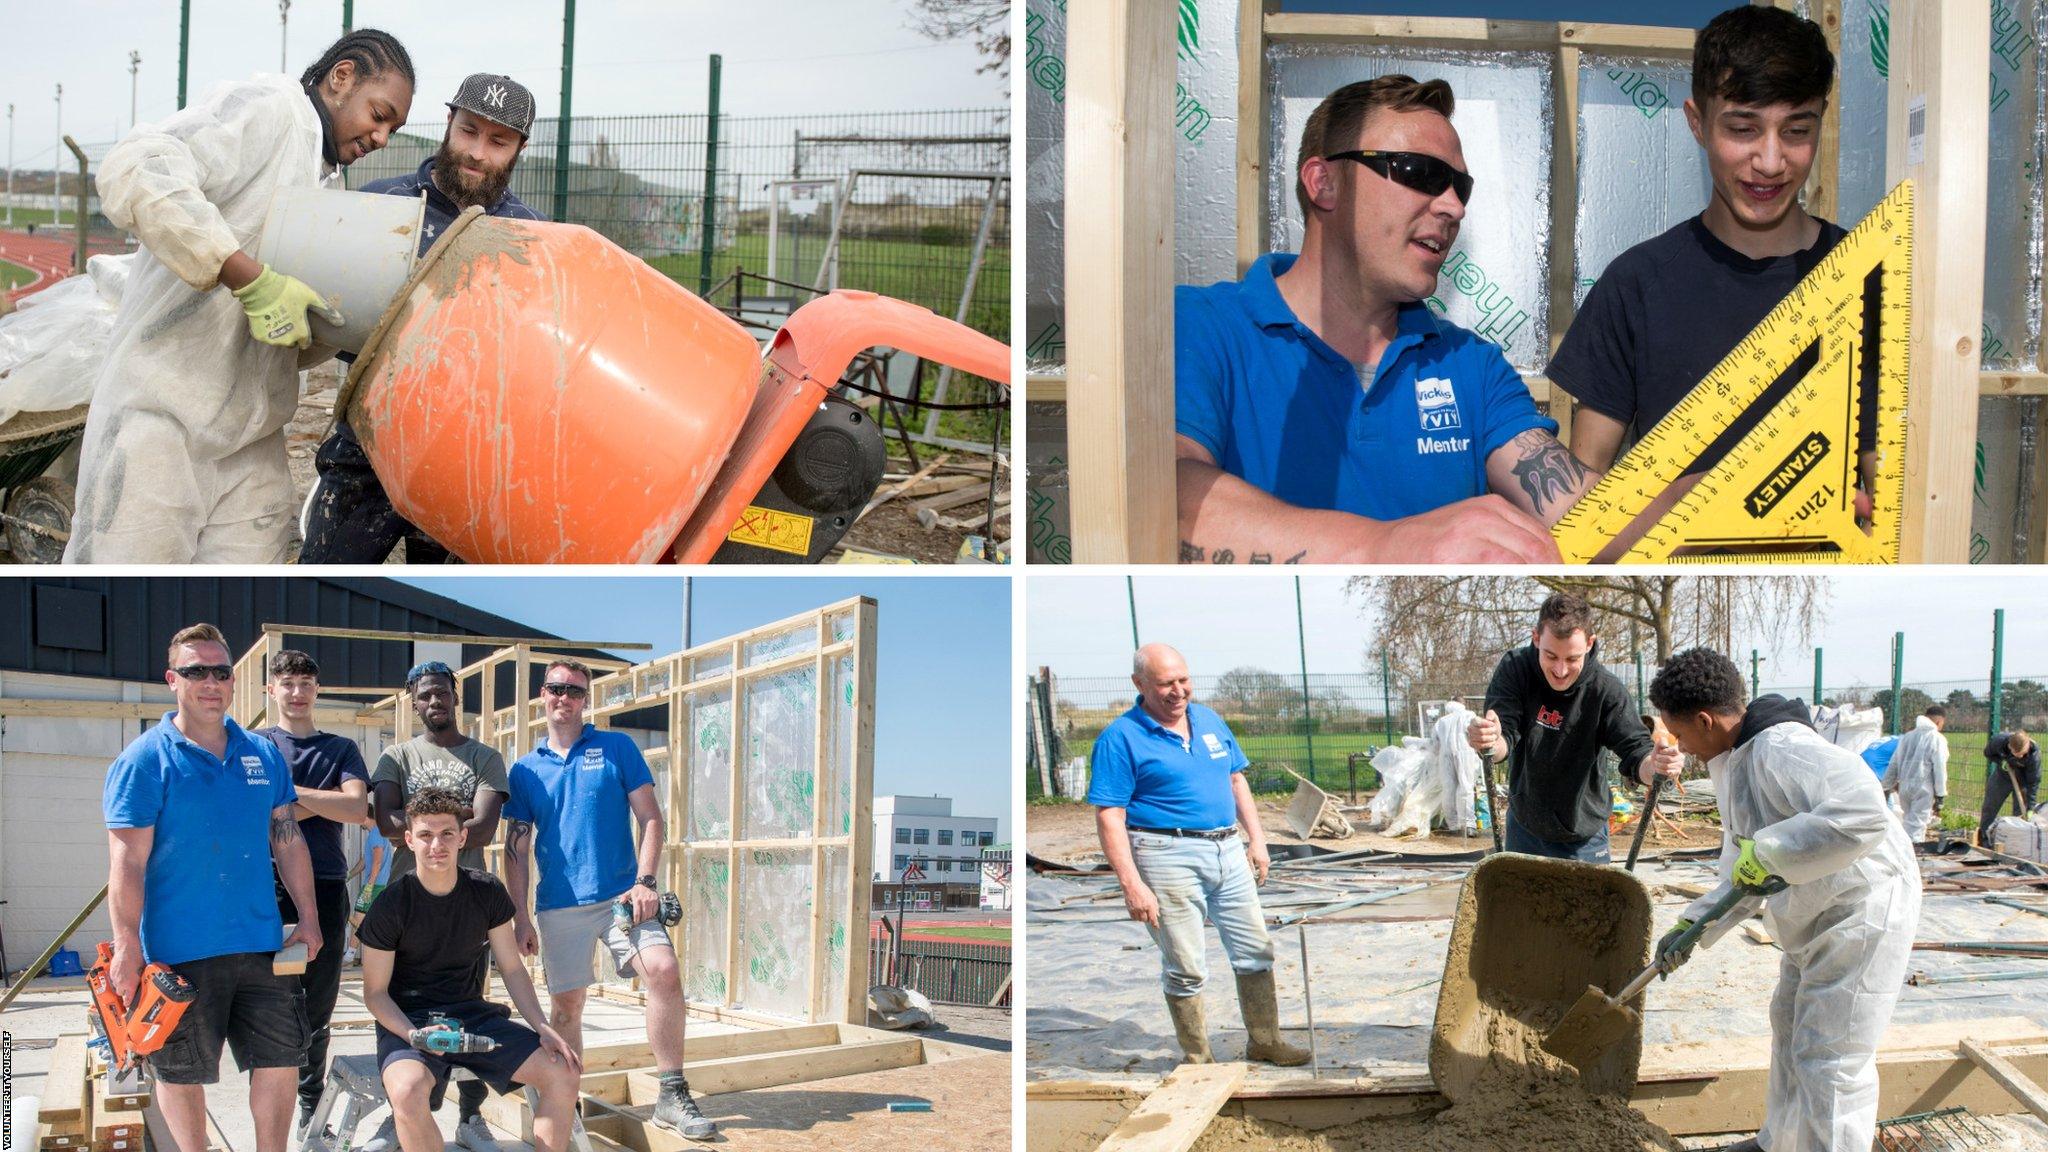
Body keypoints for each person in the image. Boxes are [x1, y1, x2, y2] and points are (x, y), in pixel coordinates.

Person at [1173, 75, 1598, 565]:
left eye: (1460, 187)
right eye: (1419, 171)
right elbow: (1166, 499)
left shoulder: (1470, 365)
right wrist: (1386, 547)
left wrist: (1700, 493)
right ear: (1323, 183)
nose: (1454, 207)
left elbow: (1585, 514)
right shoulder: (1200, 327)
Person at [65, 31, 415, 563]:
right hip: (161, 421)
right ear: (341, 78)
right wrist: (247, 278)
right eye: (380, 114)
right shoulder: (270, 111)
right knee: (131, 576)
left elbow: (285, 334)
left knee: (256, 597)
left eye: (394, 128)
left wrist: (339, 323)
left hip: (251, 439)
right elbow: (139, 167)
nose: (383, 137)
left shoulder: (328, 189)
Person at [1549, 8, 1870, 536]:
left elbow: (1892, 476)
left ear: (1822, 121)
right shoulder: (1634, 286)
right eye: (1743, 128)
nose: (1770, 161)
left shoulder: (1865, 274)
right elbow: (1587, 505)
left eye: (1796, 130)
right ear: (1697, 122)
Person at [1648, 648, 1918, 1152]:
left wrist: (1773, 855)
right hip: (1819, 912)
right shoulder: (1736, 762)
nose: (1681, 747)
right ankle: (1780, 1142)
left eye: (1681, 735)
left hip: (1863, 908)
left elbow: (1864, 812)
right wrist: (1694, 925)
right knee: (1790, 1024)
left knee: (1831, 1058)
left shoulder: (1784, 746)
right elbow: (1739, 869)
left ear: (1706, 720)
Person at [300, 73, 545, 564]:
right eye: (469, 131)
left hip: (466, 462)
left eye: (498, 141)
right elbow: (330, 317)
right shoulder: (379, 204)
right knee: (324, 571)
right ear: (449, 122)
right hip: (369, 442)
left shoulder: (530, 237)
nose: (478, 151)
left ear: (519, 148)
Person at [102, 624, 322, 1152]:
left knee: (280, 1061)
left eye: (221, 672)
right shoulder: (144, 760)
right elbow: (128, 860)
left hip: (261, 945)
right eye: (196, 671)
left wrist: (309, 917)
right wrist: (127, 944)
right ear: (172, 680)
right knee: (182, 1073)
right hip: (180, 952)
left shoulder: (262, 754)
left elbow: (287, 839)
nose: (211, 682)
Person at [503, 659, 719, 1139]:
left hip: (624, 897)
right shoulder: (525, 770)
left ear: (586, 700)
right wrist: (519, 914)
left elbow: (652, 819)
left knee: (663, 970)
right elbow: (516, 846)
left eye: (575, 691)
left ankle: (670, 1093)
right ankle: (567, 1102)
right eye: (557, 689)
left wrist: (645, 881)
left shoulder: (616, 747)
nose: (565, 698)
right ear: (543, 694)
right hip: (559, 904)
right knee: (566, 1010)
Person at [1085, 643, 1309, 1067]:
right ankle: (1198, 1057)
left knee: (1255, 950)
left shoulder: (1208, 719)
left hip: (1227, 849)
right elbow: (1110, 816)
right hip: (1165, 854)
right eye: (1165, 683)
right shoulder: (1120, 738)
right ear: (1139, 684)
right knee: (1186, 965)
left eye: (1183, 680)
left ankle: (1265, 1041)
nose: (1178, 691)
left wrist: (1256, 840)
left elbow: (1236, 781)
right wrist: (1132, 885)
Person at [358, 788, 583, 1152]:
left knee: (563, 1071)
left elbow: (511, 968)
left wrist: (542, 1026)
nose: (437, 845)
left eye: (447, 833)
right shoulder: (390, 905)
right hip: (410, 1022)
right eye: (426, 835)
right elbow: (375, 993)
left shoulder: (486, 890)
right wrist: (414, 1035)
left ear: (462, 837)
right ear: (409, 840)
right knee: (407, 1091)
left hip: (472, 1016)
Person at [363, 661, 510, 1152]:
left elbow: (486, 828)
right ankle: (406, 1114)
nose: (434, 702)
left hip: (470, 907)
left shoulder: (485, 757)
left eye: (441, 693)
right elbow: (386, 822)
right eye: (424, 695)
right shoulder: (396, 756)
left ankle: (470, 1118)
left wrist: (424, 813)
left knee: (469, 1007)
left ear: (455, 695)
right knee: (400, 1002)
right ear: (414, 701)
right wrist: (456, 812)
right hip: (407, 908)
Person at [1465, 592, 1678, 861]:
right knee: (1521, 903)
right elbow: (1502, 738)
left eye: (1573, 659)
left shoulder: (1606, 690)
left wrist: (1657, 767)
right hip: (1525, 827)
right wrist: (1488, 741)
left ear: (1590, 644)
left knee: (1589, 904)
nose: (1561, 670)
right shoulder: (1515, 670)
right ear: (1536, 638)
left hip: (1584, 836)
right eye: (1551, 656)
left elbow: (1637, 752)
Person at [255, 649, 371, 1137]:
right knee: (269, 999)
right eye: (287, 683)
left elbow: (356, 807)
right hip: (263, 886)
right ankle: (273, 1101)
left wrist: (284, 798)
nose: (297, 692)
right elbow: (254, 813)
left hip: (324, 885)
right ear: (271, 691)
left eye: (305, 683)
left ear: (316, 690)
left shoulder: (340, 748)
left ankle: (310, 1103)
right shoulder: (252, 744)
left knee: (318, 1001)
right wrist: (325, 803)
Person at [1882, 705, 1949, 842]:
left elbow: (1894, 762)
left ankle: (1903, 852)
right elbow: (1940, 768)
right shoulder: (1937, 738)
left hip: (1904, 787)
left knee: (1908, 821)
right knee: (1917, 827)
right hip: (1923, 787)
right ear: (1939, 722)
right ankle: (1912, 857)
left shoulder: (1907, 737)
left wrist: (1886, 787)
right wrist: (1940, 795)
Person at [1980, 728, 2040, 847]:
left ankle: (2016, 843)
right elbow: (1987, 753)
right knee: (1990, 807)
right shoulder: (1999, 742)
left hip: (2023, 781)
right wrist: (2001, 760)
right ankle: (1985, 839)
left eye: (2023, 753)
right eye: (2017, 754)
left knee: (2020, 814)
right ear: (2009, 746)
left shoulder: (2034, 755)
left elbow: (2033, 782)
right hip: (2002, 776)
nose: (2021, 756)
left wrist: (2031, 807)